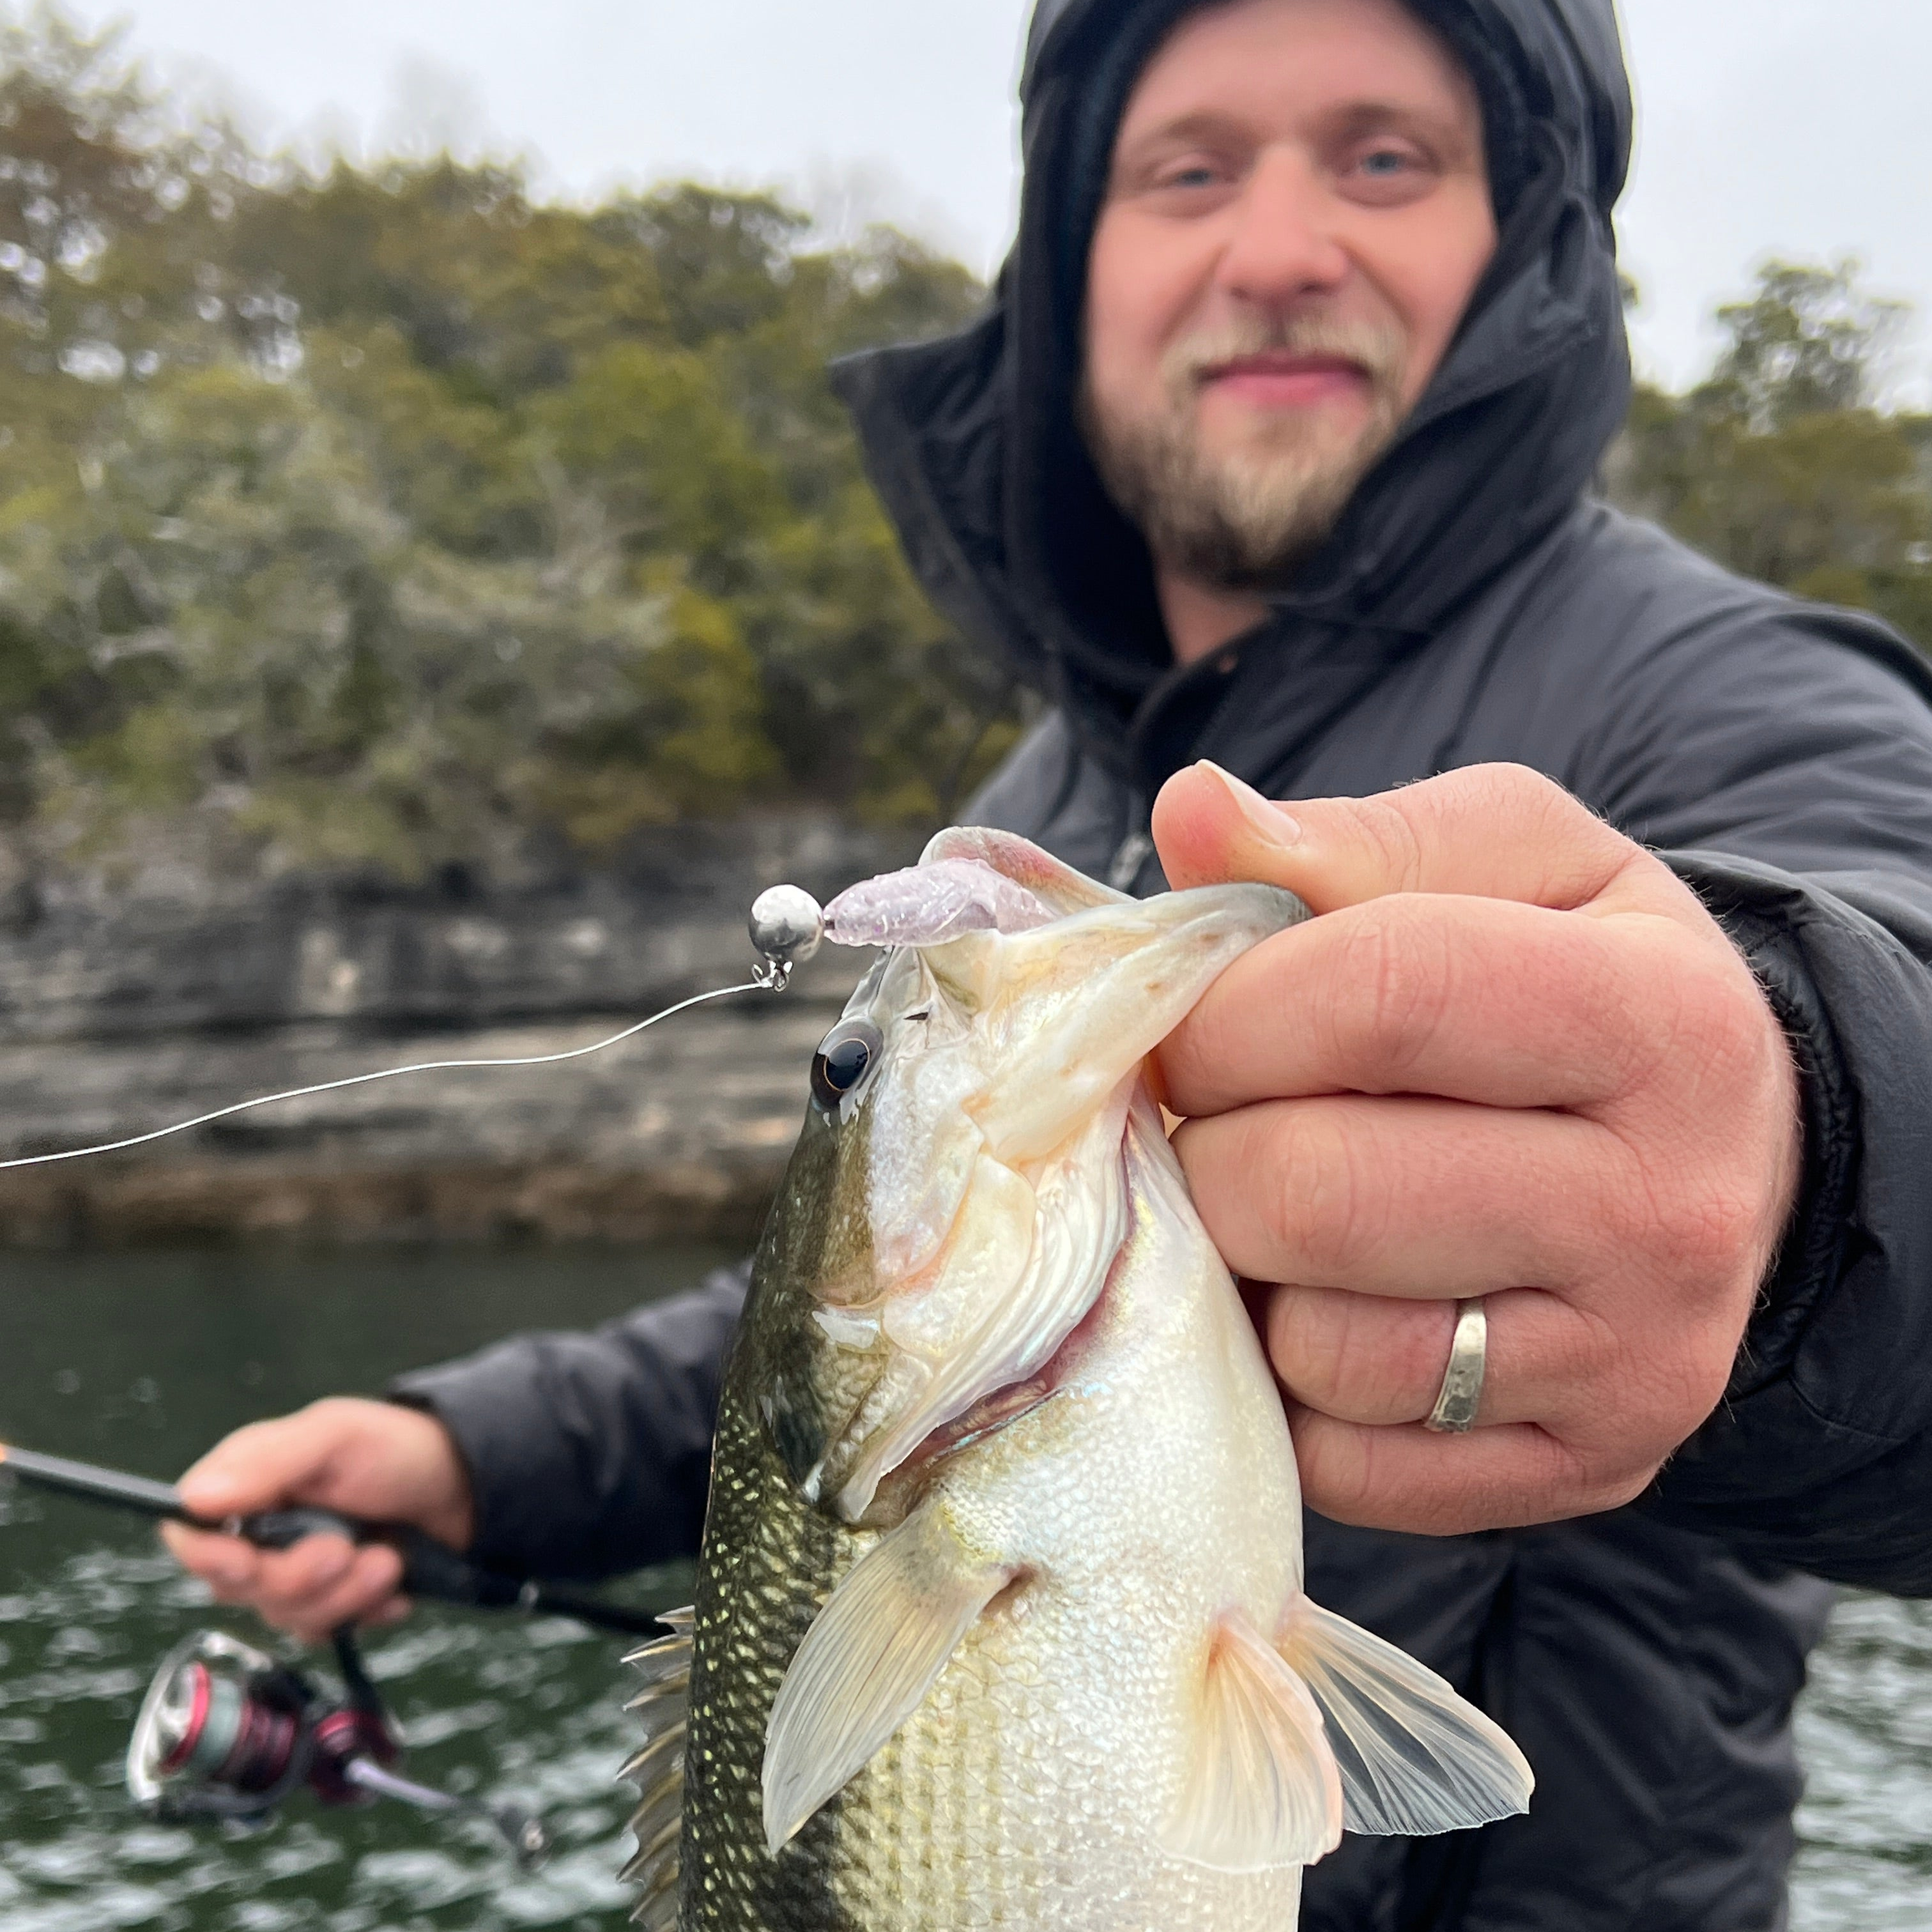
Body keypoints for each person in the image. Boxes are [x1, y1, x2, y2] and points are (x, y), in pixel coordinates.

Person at [165, 0, 1932, 1925]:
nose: (1274, 248)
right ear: (1068, 267)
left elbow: (1889, 956)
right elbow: (853, 1351)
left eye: (1384, 158)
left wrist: (1810, 1139)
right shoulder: (1054, 782)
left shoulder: (1736, 695)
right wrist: (464, 1452)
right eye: (1186, 171)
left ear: (1536, 251)